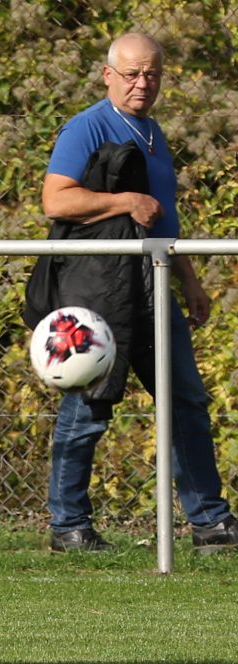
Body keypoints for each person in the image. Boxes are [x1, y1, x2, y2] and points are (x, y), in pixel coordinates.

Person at [40, 33, 238, 553]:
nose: (142, 84)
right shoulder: (86, 127)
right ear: (108, 75)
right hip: (100, 290)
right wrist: (125, 200)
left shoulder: (153, 132)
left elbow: (163, 219)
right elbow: (56, 200)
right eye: (131, 74)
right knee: (90, 406)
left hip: (155, 284)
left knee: (186, 401)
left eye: (152, 74)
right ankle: (68, 526)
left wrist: (189, 281)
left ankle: (211, 523)